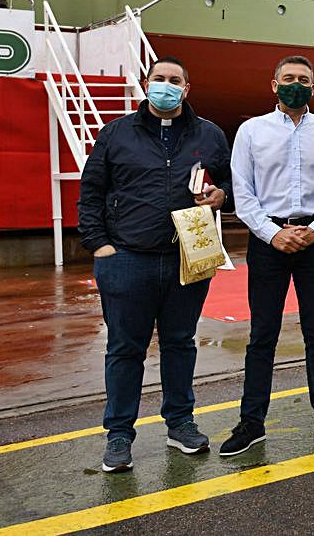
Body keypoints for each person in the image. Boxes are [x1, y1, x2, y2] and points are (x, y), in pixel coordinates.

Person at [78, 56, 230, 473]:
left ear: (186, 88)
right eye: (158, 79)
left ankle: (180, 423)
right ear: (147, 84)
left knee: (181, 342)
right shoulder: (116, 134)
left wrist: (220, 197)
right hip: (127, 258)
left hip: (188, 257)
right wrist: (99, 246)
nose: (166, 85)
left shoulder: (210, 135)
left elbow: (229, 184)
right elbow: (91, 191)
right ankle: (119, 435)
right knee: (125, 348)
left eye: (174, 80)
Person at [221, 55, 314, 456]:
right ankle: (252, 421)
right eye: (288, 78)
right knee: (261, 335)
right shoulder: (251, 131)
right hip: (269, 242)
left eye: (303, 79)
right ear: (274, 84)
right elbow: (242, 192)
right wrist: (272, 234)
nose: (295, 84)